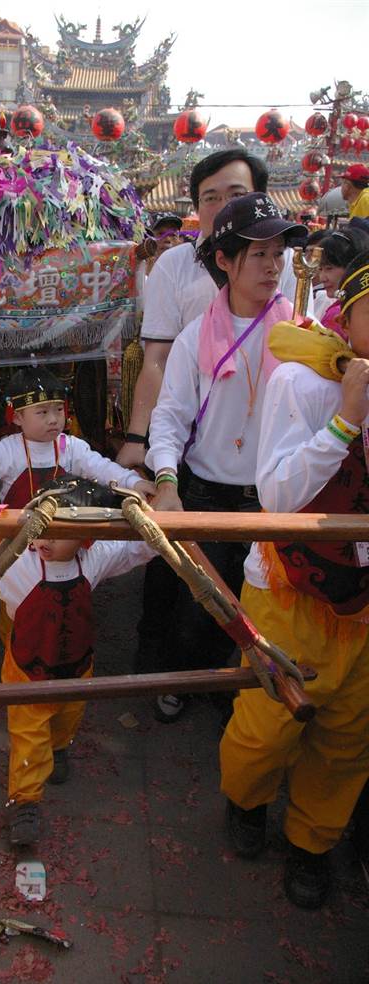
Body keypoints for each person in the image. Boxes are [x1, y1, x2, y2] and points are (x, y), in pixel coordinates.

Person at [220, 248, 369, 909]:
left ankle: (313, 843)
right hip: (289, 591)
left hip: (363, 604)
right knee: (266, 727)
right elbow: (277, 496)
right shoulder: (303, 383)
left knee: (347, 738)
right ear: (346, 314)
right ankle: (244, 802)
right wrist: (346, 421)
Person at [145, 193, 307, 722]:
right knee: (203, 605)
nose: (272, 264)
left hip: (276, 497)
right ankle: (184, 681)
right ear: (224, 260)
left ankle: (238, 691)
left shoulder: (302, 334)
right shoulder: (196, 338)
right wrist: (166, 481)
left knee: (264, 605)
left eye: (278, 251)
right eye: (257, 253)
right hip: (209, 492)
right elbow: (170, 416)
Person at [0, 477, 157, 846]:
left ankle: (60, 746)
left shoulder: (96, 559)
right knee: (28, 738)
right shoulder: (17, 565)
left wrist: (153, 516)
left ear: (87, 538)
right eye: (42, 527)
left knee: (68, 716)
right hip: (27, 672)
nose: (44, 539)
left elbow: (136, 548)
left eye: (59, 532)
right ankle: (24, 801)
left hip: (77, 667)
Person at [117, 149, 301, 469]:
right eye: (210, 198)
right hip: (194, 444)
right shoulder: (173, 265)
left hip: (269, 443)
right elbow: (157, 359)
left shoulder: (283, 265)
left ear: (258, 198)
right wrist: (136, 438)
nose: (224, 207)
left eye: (236, 195)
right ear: (196, 206)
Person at [0, 366, 154, 507]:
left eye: (58, 410)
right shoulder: (6, 450)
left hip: (65, 537)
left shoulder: (73, 448)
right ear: (18, 417)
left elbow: (103, 469)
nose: (54, 419)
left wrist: (133, 482)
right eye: (42, 412)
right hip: (17, 542)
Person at [316, 227, 369, 334]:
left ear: (352, 267)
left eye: (329, 268)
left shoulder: (339, 314)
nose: (322, 278)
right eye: (320, 269)